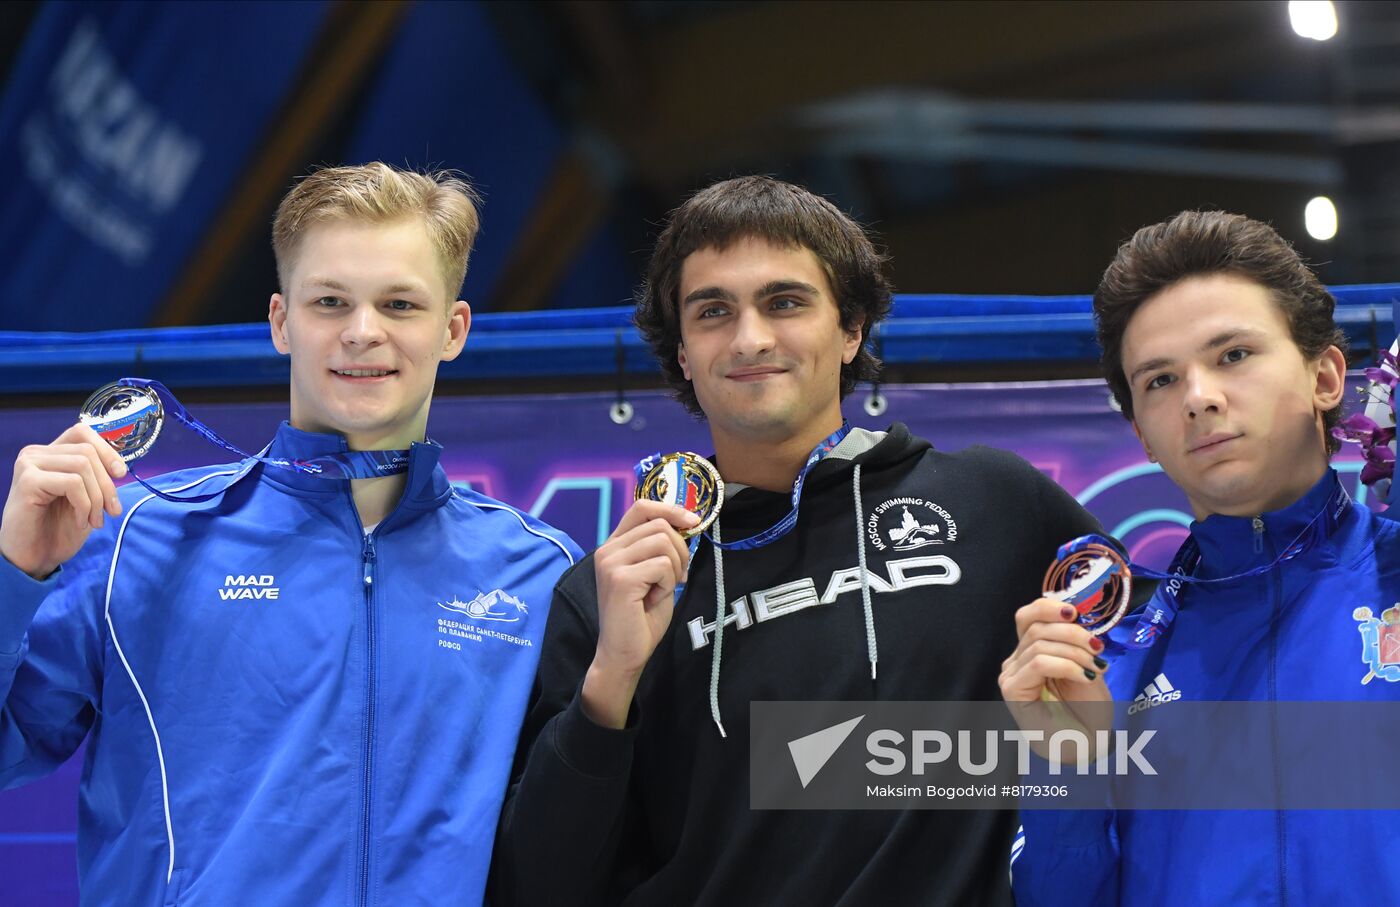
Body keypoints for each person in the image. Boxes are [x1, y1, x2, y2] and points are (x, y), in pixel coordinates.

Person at [492, 176, 1111, 906]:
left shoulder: (996, 503)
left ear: (850, 329)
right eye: (713, 311)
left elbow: (1164, 728)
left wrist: (1082, 738)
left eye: (784, 302)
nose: (750, 338)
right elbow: (536, 888)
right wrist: (611, 679)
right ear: (683, 352)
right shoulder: (609, 593)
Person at [0, 163, 580, 905]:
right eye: (330, 301)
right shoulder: (139, 541)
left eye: (400, 303)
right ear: (280, 320)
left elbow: (601, 827)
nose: (363, 331)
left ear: (453, 329)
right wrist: (14, 573)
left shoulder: (538, 573)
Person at [1001, 210, 1400, 905]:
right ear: (1143, 437)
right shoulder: (1107, 658)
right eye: (1159, 380)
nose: (1198, 398)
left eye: (1233, 355)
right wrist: (1067, 767)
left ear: (1327, 377)